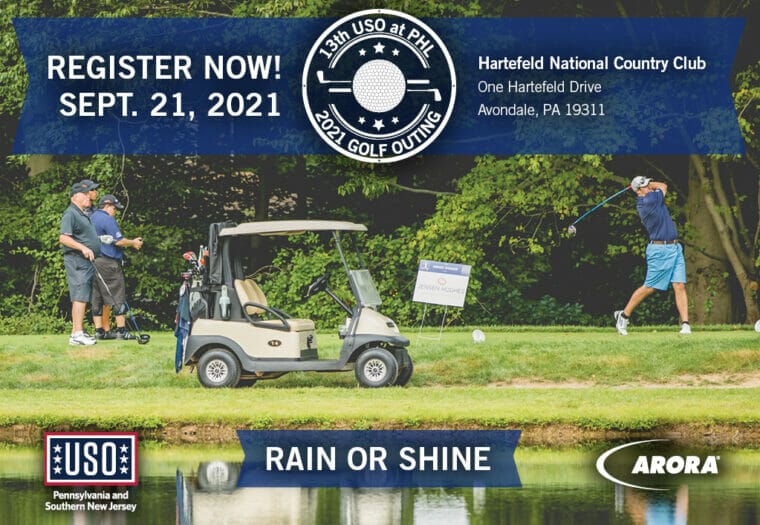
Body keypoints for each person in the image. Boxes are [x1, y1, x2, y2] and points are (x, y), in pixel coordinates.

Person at [614, 176, 690, 335]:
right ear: (638, 191)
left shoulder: (649, 196)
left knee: (679, 285)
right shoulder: (649, 201)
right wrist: (649, 185)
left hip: (675, 248)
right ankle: (624, 316)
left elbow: (660, 187)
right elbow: (663, 185)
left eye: (649, 184)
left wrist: (644, 183)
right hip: (660, 251)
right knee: (649, 287)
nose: (649, 187)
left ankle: (685, 325)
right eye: (645, 186)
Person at [90, 195, 143, 340]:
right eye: (114, 209)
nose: (115, 212)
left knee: (98, 296)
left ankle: (100, 331)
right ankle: (121, 331)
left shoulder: (91, 217)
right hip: (109, 262)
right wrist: (133, 242)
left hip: (93, 261)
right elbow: (118, 241)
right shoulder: (107, 219)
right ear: (107, 206)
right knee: (117, 294)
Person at [59, 181, 101, 345]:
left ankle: (78, 332)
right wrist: (83, 248)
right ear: (75, 196)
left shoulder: (82, 213)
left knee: (83, 295)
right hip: (77, 260)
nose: (88, 196)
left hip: (85, 261)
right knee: (79, 295)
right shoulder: (70, 213)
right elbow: (64, 238)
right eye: (85, 194)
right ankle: (76, 334)